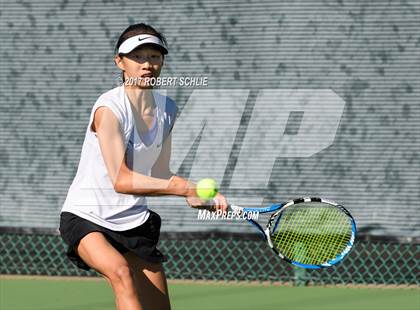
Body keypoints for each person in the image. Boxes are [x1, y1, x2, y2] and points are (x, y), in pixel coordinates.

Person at [59, 23, 228, 310]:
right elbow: (121, 180)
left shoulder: (167, 109)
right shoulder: (109, 108)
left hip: (134, 221)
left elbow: (158, 174)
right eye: (138, 57)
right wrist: (182, 188)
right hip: (86, 215)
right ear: (120, 62)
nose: (147, 64)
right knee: (120, 272)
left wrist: (195, 193)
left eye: (154, 56)